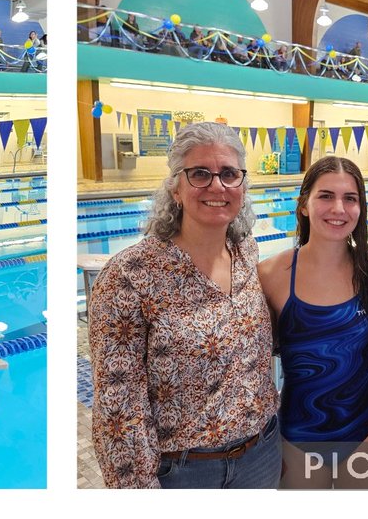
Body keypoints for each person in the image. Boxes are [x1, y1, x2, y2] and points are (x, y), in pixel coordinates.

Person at [89, 122, 279, 488]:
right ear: (176, 187)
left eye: (228, 174)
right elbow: (118, 407)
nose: (217, 186)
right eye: (200, 174)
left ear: (242, 185)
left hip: (261, 454)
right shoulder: (129, 275)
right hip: (186, 473)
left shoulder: (247, 254)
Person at [258, 157, 368, 488]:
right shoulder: (271, 274)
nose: (339, 209)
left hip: (365, 429)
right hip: (298, 432)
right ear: (304, 205)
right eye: (326, 196)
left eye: (350, 198)